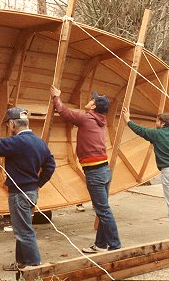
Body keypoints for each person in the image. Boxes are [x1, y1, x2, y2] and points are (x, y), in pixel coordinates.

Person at [0, 107, 56, 270]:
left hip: (19, 194)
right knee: (22, 229)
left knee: (24, 232)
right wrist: (38, 183)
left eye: (8, 125)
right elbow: (50, 165)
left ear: (13, 123)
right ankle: (21, 263)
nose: (9, 128)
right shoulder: (39, 142)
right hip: (31, 192)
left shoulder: (16, 142)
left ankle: (34, 266)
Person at [50, 86, 121, 253]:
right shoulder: (101, 120)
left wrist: (56, 97)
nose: (89, 101)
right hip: (104, 170)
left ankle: (116, 245)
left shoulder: (86, 118)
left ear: (94, 107)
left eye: (92, 100)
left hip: (95, 172)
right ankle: (101, 245)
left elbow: (64, 112)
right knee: (103, 210)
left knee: (103, 211)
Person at [122, 108, 169, 238]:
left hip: (168, 171)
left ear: (162, 123)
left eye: (157, 121)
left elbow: (140, 130)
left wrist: (128, 120)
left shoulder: (156, 134)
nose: (155, 124)